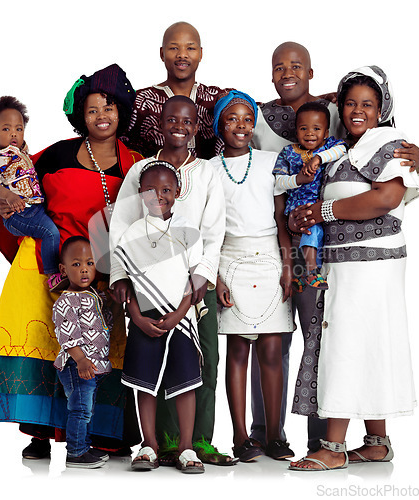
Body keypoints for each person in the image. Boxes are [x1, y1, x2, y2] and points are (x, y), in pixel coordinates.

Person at [249, 41, 419, 456]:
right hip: (340, 264)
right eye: (349, 103)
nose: (357, 110)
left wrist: (322, 210)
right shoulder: (344, 146)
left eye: (367, 103)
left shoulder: (390, 141)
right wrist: (300, 216)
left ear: (383, 109)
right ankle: (377, 443)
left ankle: (330, 446)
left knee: (346, 345)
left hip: (371, 264)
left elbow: (384, 198)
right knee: (365, 344)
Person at [0, 64, 143, 460]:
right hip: (45, 268)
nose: (101, 117)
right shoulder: (54, 154)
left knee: (99, 352)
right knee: (44, 345)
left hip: (99, 273)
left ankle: (102, 435)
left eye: (109, 108)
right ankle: (39, 433)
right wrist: (4, 199)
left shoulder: (133, 163)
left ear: (121, 112)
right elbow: (12, 183)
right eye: (92, 110)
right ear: (80, 117)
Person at [109, 95, 235, 465]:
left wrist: (201, 279)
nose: (178, 127)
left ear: (196, 128)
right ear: (160, 125)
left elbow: (213, 231)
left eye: (187, 122)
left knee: (202, 360)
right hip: (147, 285)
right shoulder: (141, 171)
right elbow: (120, 229)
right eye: (171, 121)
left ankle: (197, 442)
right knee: (152, 361)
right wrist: (120, 278)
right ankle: (161, 443)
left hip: (193, 284)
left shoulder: (207, 171)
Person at [210, 90, 294, 462]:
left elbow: (280, 218)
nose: (241, 126)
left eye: (248, 119)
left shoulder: (271, 161)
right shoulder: (209, 169)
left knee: (273, 350)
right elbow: (207, 228)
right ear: (218, 126)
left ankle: (275, 434)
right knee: (238, 350)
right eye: (232, 119)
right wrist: (216, 278)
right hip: (230, 257)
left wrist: (289, 265)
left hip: (270, 258)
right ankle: (242, 437)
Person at [114, 161, 205, 473]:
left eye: (166, 190)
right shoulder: (131, 233)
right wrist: (136, 318)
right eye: (151, 190)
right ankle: (148, 444)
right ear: (140, 193)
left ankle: (187, 448)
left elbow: (196, 277)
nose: (158, 196)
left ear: (177, 192)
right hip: (145, 317)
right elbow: (124, 277)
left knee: (186, 382)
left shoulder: (188, 230)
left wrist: (179, 314)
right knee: (144, 382)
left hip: (181, 316)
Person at [0, 96, 63, 291]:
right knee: (49, 232)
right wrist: (6, 196)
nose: (14, 134)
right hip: (18, 214)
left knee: (59, 224)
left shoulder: (21, 152)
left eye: (19, 129)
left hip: (36, 208)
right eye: (6, 129)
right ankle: (53, 275)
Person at [122, 21, 229, 159]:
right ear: (162, 53)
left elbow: (253, 116)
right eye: (173, 48)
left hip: (211, 180)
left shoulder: (218, 100)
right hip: (154, 179)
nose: (182, 55)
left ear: (201, 53)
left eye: (190, 48)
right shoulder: (141, 102)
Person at [273, 102, 347, 290]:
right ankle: (311, 272)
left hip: (324, 205)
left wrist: (318, 158)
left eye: (316, 128)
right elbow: (279, 182)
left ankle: (305, 273)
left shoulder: (329, 147)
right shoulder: (288, 153)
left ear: (326, 132)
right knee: (310, 231)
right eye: (303, 128)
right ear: (296, 131)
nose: (309, 133)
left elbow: (343, 149)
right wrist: (297, 179)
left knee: (320, 237)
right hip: (299, 206)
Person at [53, 236, 111, 469]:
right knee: (80, 408)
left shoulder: (93, 295)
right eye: (76, 264)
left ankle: (84, 445)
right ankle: (76, 453)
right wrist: (81, 360)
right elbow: (67, 335)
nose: (84, 270)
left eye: (89, 263)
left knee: (88, 408)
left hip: (91, 366)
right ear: (63, 269)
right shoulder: (66, 302)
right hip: (76, 366)